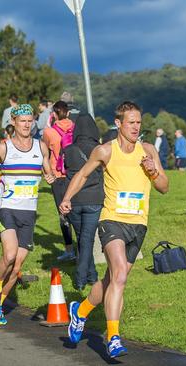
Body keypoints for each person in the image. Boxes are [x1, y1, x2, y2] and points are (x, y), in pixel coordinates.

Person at [61, 101, 169, 358]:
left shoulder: (149, 150)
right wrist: (67, 197)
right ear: (118, 124)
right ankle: (113, 337)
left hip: (138, 225)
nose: (135, 127)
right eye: (130, 122)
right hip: (111, 220)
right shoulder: (106, 151)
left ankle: (81, 311)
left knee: (112, 279)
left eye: (139, 122)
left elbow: (165, 187)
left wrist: (154, 173)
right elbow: (83, 175)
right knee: (119, 274)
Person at [0, 104, 55, 325]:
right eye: (22, 121)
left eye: (30, 120)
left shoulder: (41, 147)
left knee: (17, 266)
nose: (26, 125)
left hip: (29, 212)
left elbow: (48, 171)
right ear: (13, 122)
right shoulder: (4, 148)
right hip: (7, 208)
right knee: (9, 255)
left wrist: (50, 177)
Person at [63, 114, 103, 290]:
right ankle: (80, 279)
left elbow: (65, 171)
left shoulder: (69, 150)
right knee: (87, 240)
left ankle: (92, 276)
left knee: (82, 239)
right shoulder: (100, 149)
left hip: (74, 200)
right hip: (94, 199)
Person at [42, 101, 76, 261]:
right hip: (75, 175)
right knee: (77, 211)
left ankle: (69, 250)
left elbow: (44, 155)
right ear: (68, 113)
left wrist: (46, 173)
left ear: (54, 114)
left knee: (63, 214)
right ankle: (82, 248)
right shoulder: (76, 128)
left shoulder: (49, 132)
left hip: (57, 176)